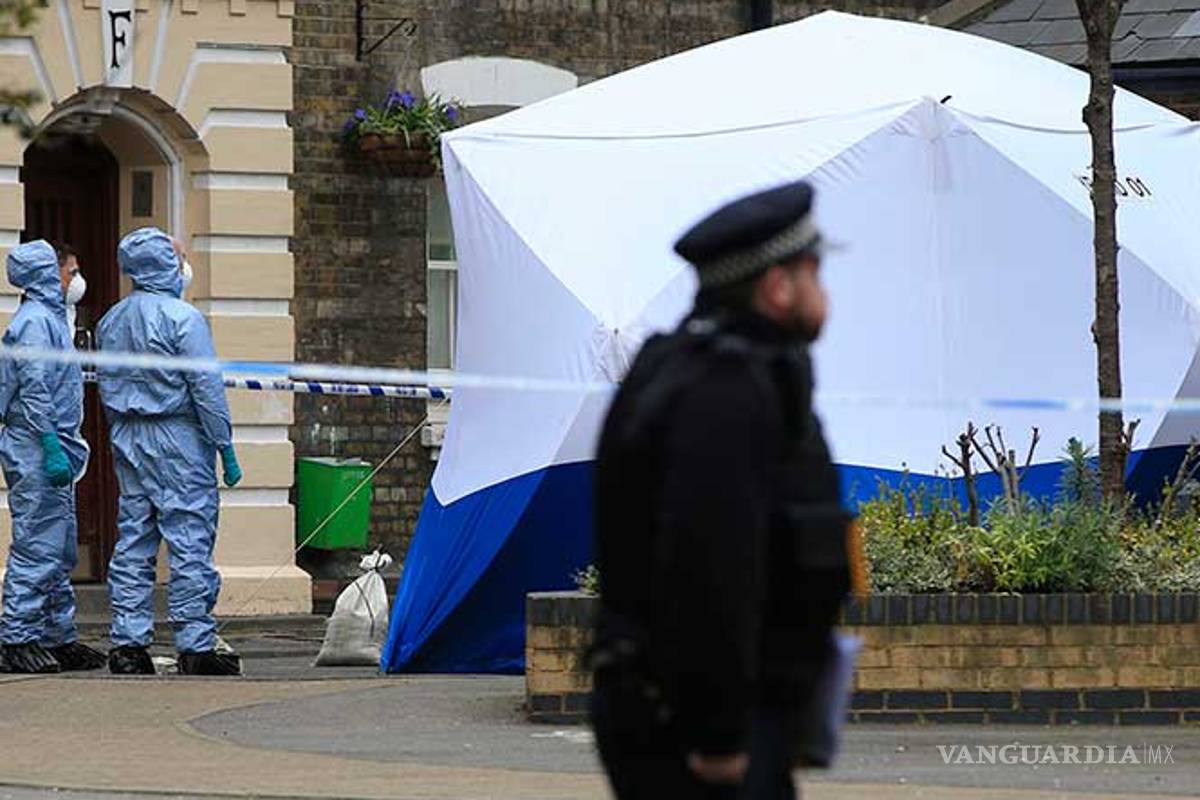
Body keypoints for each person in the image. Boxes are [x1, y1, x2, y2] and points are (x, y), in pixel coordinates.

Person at [590, 181, 851, 799]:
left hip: (710, 711)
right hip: (697, 729)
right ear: (778, 286)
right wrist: (719, 738)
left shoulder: (710, 369)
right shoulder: (725, 391)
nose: (825, 289)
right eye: (814, 270)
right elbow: (710, 565)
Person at [97, 227, 243, 676]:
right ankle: (195, 642)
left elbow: (104, 384)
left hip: (128, 434)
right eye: (178, 255)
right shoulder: (184, 319)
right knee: (189, 538)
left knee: (135, 538)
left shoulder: (111, 320)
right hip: (178, 438)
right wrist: (224, 444)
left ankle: (128, 642)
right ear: (164, 263)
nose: (184, 264)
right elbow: (205, 387)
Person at [0, 240, 105, 673]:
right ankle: (15, 636)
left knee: (59, 548)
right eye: (70, 271)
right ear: (48, 272)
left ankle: (56, 635)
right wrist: (47, 443)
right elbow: (35, 389)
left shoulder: (49, 319)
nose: (74, 280)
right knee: (37, 544)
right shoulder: (35, 324)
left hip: (52, 445)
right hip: (37, 446)